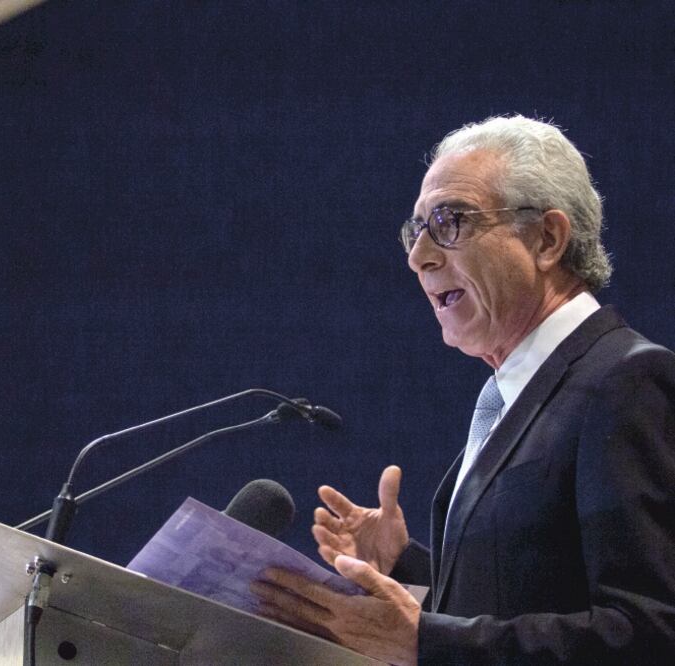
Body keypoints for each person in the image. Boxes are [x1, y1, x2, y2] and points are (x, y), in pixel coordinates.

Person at [251, 116, 675, 664]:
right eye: (416, 230)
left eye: (450, 222)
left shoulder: (625, 382)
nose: (418, 257)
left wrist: (425, 640)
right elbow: (527, 592)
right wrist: (407, 567)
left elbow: (652, 633)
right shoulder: (517, 395)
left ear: (547, 239)